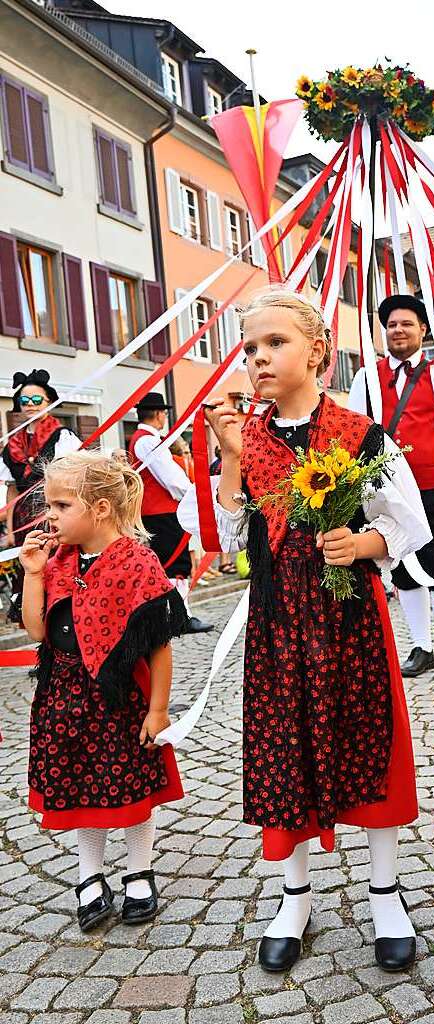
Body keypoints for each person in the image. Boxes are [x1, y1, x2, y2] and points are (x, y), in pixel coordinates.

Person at [178, 288, 431, 973]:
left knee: (366, 738)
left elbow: (410, 521)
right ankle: (294, 895)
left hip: (346, 616)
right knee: (281, 746)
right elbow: (223, 534)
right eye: (250, 347)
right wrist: (229, 455)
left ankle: (385, 892)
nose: (258, 357)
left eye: (274, 343)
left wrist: (365, 544)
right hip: (277, 621)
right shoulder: (247, 437)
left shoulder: (359, 432)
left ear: (317, 351)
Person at [18, 450, 187, 931]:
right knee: (80, 787)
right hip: (64, 696)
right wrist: (33, 573)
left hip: (119, 699)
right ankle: (89, 875)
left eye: (60, 505)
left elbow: (158, 646)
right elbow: (36, 631)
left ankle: (139, 870)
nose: (49, 515)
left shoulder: (136, 561)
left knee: (132, 785)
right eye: (49, 505)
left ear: (100, 509)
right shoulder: (57, 563)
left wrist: (158, 712)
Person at [347, 294, 434, 685]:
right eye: (391, 325)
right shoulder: (366, 377)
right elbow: (354, 429)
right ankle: (421, 647)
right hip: (388, 492)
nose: (398, 330)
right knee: (403, 570)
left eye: (406, 324)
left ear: (422, 329)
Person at [128, 393, 212, 633]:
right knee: (175, 564)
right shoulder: (147, 441)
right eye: (164, 413)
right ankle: (179, 617)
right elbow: (171, 479)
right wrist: (195, 495)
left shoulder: (144, 439)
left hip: (158, 512)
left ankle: (174, 615)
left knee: (170, 564)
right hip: (162, 512)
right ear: (158, 414)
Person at [0, 369, 80, 549]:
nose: (30, 405)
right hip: (23, 520)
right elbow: (13, 490)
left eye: (36, 400)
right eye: (24, 401)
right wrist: (11, 530)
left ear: (49, 402)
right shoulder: (12, 444)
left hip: (56, 515)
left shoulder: (63, 437)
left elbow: (75, 482)